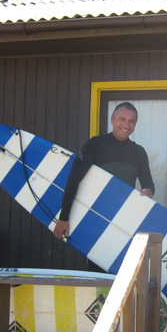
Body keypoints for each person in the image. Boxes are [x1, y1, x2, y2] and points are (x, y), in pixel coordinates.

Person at [53, 102, 155, 240]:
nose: (126, 125)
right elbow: (73, 180)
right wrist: (63, 218)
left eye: (131, 121)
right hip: (95, 217)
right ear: (112, 120)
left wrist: (148, 191)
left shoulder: (139, 152)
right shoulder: (95, 145)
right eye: (122, 119)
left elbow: (148, 184)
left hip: (124, 220)